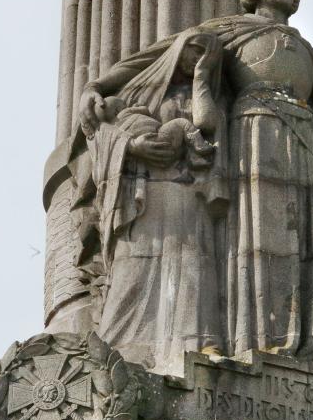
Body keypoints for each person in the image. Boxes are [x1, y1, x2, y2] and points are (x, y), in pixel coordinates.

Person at [80, 0, 313, 369]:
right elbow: (158, 55)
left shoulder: (308, 52)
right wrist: (99, 86)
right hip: (255, 132)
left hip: (306, 137)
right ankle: (260, 339)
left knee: (312, 234)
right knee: (263, 232)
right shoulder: (231, 29)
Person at [87, 30, 226, 374]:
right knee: (132, 271)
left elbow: (207, 123)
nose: (195, 59)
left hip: (185, 192)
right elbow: (99, 132)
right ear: (176, 50)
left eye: (204, 56)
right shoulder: (138, 90)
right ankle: (116, 352)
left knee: (193, 264)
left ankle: (197, 345)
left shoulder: (201, 92)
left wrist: (202, 77)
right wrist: (131, 147)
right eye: (192, 52)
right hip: (143, 195)